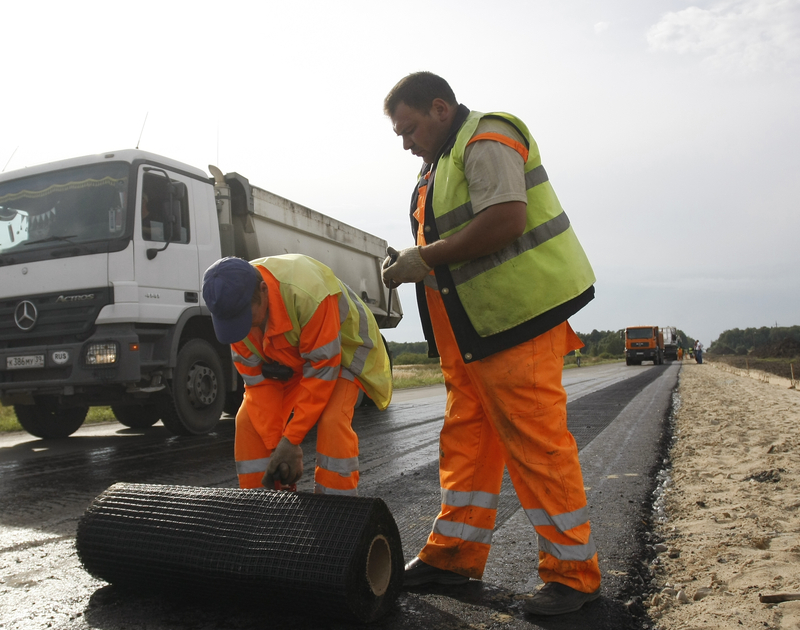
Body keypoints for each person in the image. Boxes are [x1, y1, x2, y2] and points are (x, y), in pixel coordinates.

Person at [380, 72, 600, 616]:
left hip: (515, 323)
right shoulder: (435, 167)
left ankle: (574, 575)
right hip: (472, 334)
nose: (405, 142)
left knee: (536, 444)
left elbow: (506, 219)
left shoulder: (485, 138)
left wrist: (423, 259)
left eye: (409, 129)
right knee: (468, 444)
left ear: (439, 108)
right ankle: (453, 556)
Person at [203, 254, 392, 495]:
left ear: (263, 291)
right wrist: (277, 448)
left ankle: (337, 514)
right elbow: (259, 385)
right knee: (249, 423)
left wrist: (291, 441)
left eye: (246, 317)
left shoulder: (307, 293)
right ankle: (259, 510)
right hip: (294, 357)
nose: (244, 328)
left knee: (332, 421)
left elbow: (322, 371)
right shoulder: (234, 311)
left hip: (343, 352)